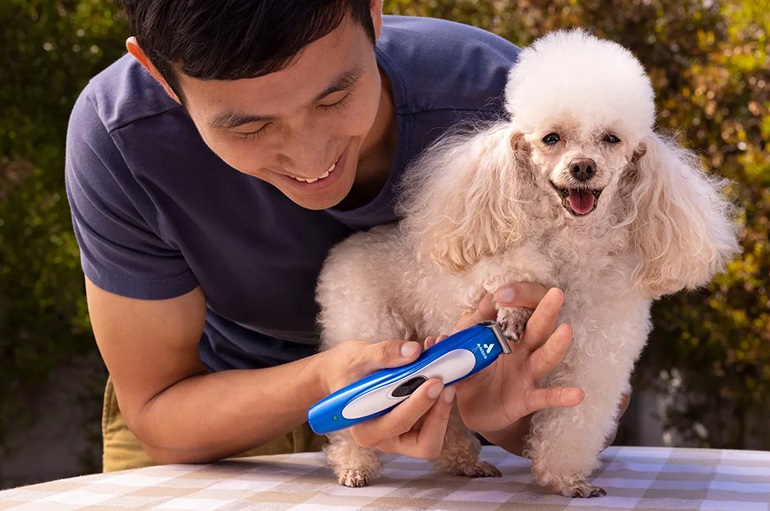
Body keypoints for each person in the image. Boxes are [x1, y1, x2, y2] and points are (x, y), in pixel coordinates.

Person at [65, 0, 588, 472]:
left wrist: (498, 414)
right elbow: (158, 410)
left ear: (373, 11)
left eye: (334, 97)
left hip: (454, 413)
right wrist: (327, 380)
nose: (313, 160)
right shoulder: (120, 138)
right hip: (209, 408)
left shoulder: (517, 115)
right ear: (156, 72)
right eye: (250, 129)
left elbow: (592, 385)